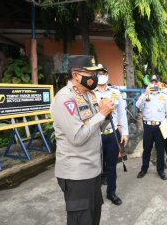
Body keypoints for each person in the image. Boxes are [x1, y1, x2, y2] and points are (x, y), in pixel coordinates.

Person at [51, 55, 114, 225]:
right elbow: (78, 137)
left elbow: (94, 130)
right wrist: (101, 114)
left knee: (94, 217)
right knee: (81, 220)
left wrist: (107, 115)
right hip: (76, 174)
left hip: (93, 170)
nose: (94, 77)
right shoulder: (65, 99)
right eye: (90, 73)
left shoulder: (89, 95)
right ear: (76, 75)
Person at [94, 64, 129, 206]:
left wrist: (125, 132)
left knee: (112, 165)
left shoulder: (115, 92)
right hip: (95, 134)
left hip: (112, 133)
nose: (101, 75)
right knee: (95, 165)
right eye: (98, 73)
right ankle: (95, 194)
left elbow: (122, 113)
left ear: (107, 75)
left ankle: (111, 192)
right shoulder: (90, 93)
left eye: (103, 72)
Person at [136, 74, 167, 180]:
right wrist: (144, 94)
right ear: (149, 83)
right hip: (148, 126)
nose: (154, 84)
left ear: (159, 83)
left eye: (156, 82)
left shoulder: (164, 96)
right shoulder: (145, 95)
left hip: (161, 126)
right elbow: (138, 106)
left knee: (160, 149)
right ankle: (144, 169)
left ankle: (160, 170)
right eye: (152, 82)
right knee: (146, 149)